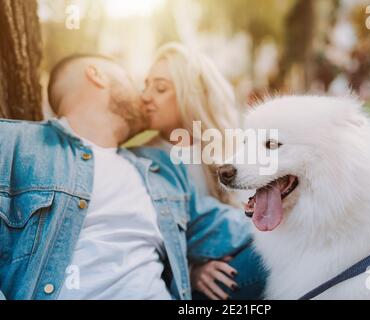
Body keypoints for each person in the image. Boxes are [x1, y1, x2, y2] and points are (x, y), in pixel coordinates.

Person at [0, 54, 259, 300]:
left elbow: (228, 227)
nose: (144, 95)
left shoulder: (159, 168)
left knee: (278, 255)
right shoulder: (15, 143)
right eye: (133, 80)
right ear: (97, 75)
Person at [142, 43, 263, 300]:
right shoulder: (145, 159)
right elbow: (146, 245)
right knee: (279, 258)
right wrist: (190, 273)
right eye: (146, 85)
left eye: (160, 88)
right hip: (193, 286)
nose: (146, 96)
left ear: (191, 94)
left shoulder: (226, 146)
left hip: (239, 252)